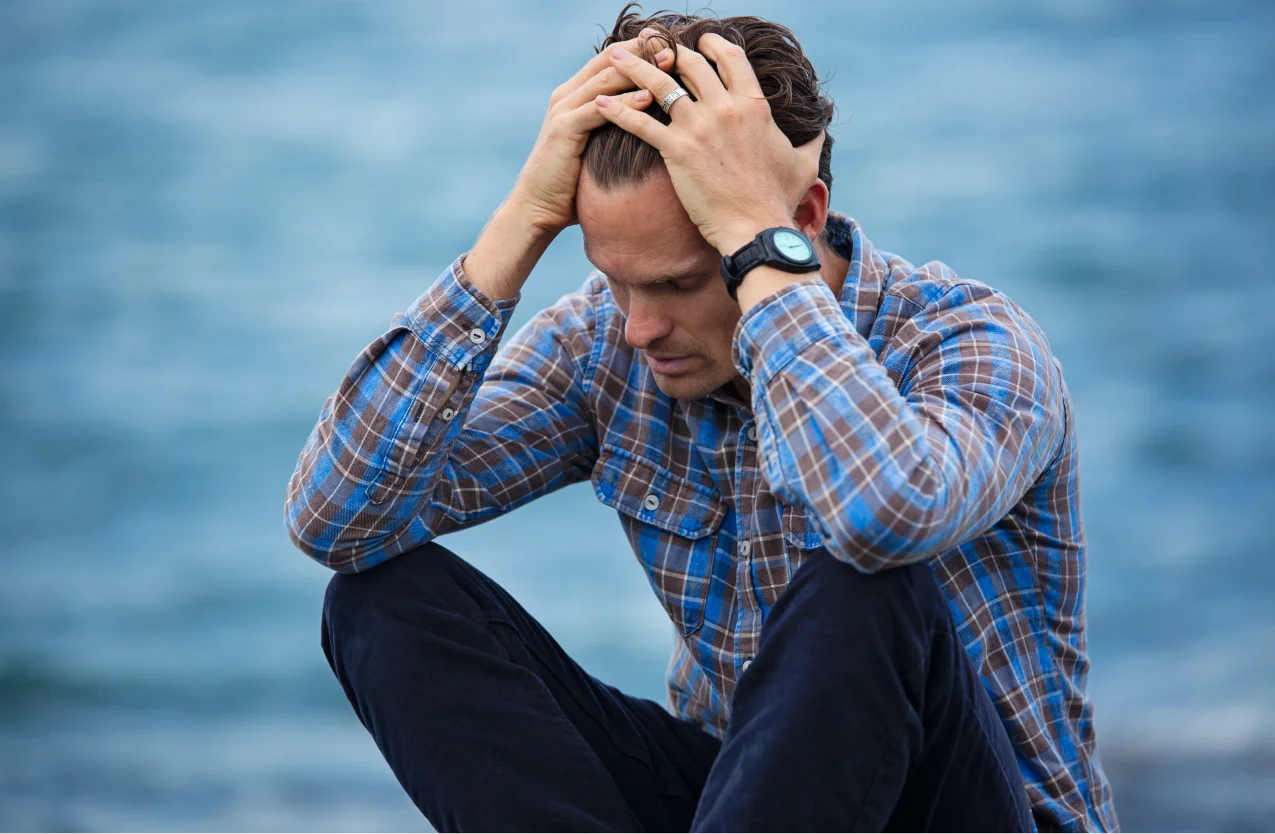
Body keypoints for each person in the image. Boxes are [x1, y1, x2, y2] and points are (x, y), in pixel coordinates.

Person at [285, 5, 1119, 833]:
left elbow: (881, 516)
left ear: (798, 218)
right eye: (616, 280)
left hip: (970, 811)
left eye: (680, 283)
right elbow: (338, 521)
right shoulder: (605, 346)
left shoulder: (968, 342)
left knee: (861, 586)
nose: (639, 326)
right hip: (742, 799)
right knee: (379, 603)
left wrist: (757, 246)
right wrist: (520, 223)